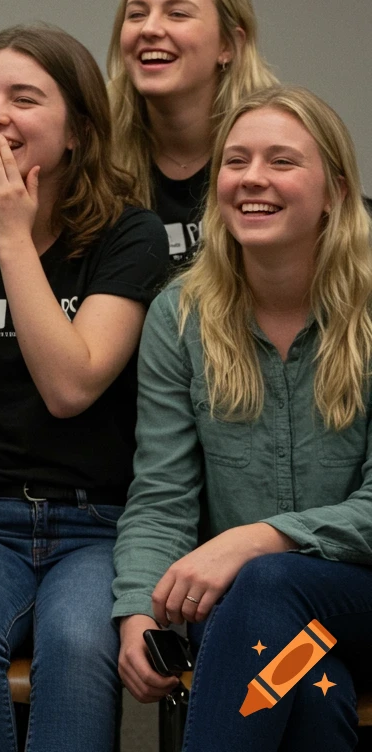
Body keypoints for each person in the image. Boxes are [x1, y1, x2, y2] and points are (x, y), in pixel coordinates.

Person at [0, 24, 168, 752]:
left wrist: (13, 241)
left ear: (79, 131)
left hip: (97, 526)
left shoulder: (129, 236)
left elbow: (72, 385)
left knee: (81, 646)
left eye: (25, 98)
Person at [113, 86, 372, 751]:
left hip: (357, 599)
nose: (252, 178)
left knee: (266, 580)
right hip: (263, 622)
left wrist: (259, 538)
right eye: (236, 161)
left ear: (336, 191)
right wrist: (138, 611)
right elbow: (161, 496)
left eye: (282, 161)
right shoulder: (180, 316)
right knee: (317, 693)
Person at [106, 0, 275, 269]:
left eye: (178, 13)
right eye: (137, 14)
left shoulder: (278, 152)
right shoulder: (94, 155)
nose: (150, 29)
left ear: (228, 44)